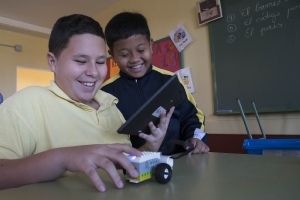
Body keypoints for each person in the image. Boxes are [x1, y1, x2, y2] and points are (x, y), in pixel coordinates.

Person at [0, 14, 174, 192]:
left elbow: (121, 168)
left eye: (100, 62)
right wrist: (63, 158)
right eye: (81, 61)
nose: (93, 72)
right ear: (53, 62)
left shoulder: (111, 106)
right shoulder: (29, 102)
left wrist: (150, 147)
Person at [101, 12, 210, 155]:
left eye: (141, 50)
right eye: (124, 54)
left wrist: (195, 138)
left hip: (178, 163)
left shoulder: (171, 81)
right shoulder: (105, 93)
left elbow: (192, 117)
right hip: (133, 170)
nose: (134, 59)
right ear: (113, 55)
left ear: (151, 45)